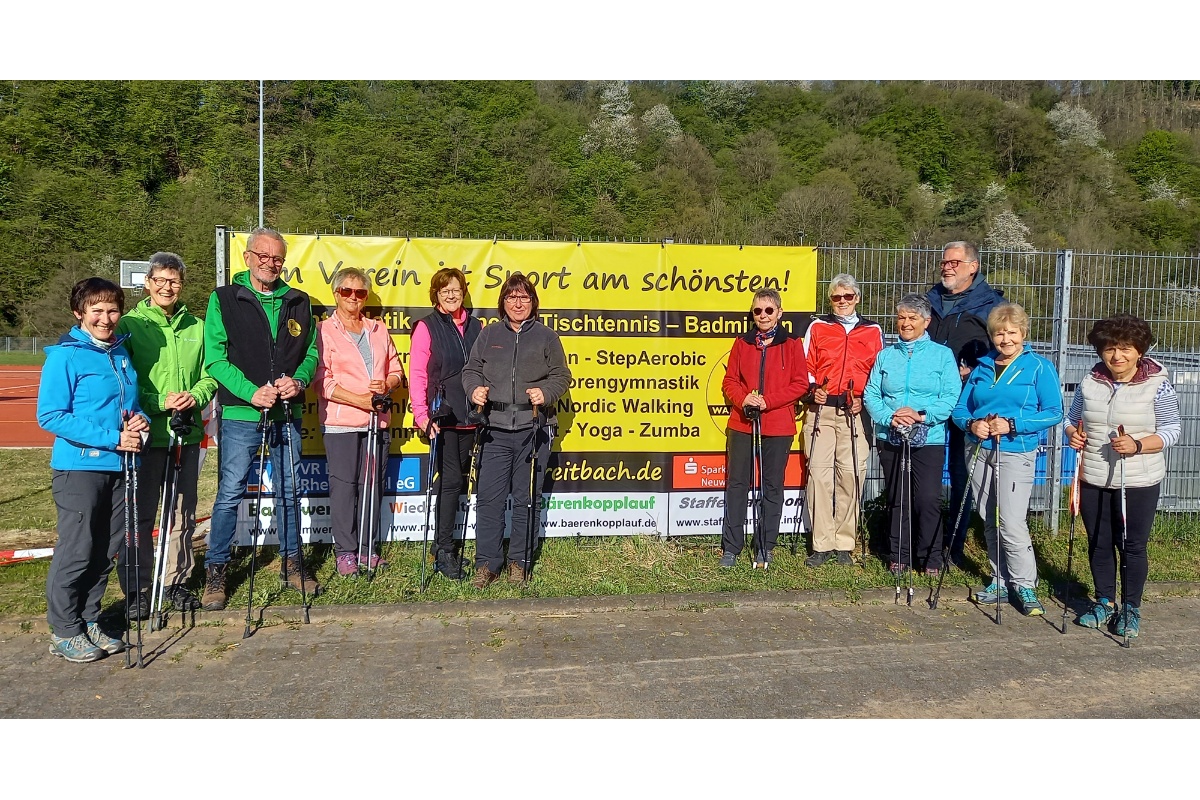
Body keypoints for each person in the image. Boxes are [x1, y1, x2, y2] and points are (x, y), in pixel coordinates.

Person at [202, 228, 321, 611]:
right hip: (241, 413)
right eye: (264, 256)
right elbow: (215, 359)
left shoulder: (299, 301)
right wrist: (251, 391)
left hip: (287, 412)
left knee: (290, 491)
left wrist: (299, 380)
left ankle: (292, 563)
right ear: (249, 257)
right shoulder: (223, 299)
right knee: (230, 494)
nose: (271, 264)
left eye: (278, 258)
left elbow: (312, 353)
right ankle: (216, 570)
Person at [37, 277, 150, 662]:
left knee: (106, 549)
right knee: (78, 549)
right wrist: (111, 437)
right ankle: (64, 630)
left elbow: (129, 405)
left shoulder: (119, 352)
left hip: (120, 466)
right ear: (79, 313)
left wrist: (140, 422)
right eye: (97, 311)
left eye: (113, 310)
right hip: (79, 469)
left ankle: (90, 621)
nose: (106, 318)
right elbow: (51, 415)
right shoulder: (65, 356)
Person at [115, 253, 217, 618]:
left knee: (181, 514)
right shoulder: (129, 324)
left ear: (182, 285)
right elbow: (124, 382)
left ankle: (175, 581)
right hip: (146, 437)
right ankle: (138, 588)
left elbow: (210, 375)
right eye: (159, 280)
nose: (166, 287)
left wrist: (196, 396)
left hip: (186, 436)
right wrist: (160, 401)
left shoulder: (198, 326)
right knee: (139, 516)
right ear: (147, 283)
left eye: (173, 281)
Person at [1066, 314, 1180, 639]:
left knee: (1132, 545)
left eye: (1126, 348)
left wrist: (1138, 444)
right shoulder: (1090, 381)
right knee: (1099, 543)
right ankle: (1104, 601)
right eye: (1110, 349)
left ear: (1139, 351)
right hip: (1094, 475)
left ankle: (1130, 608)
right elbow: (1071, 419)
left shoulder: (1157, 384)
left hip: (1138, 479)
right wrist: (1073, 434)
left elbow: (1172, 430)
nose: (1117, 356)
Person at [951, 303, 1064, 615]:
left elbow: (1054, 412)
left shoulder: (1039, 367)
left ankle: (1025, 584)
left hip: (1016, 450)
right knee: (989, 517)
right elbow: (961, 409)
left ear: (1023, 334)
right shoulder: (982, 367)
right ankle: (999, 579)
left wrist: (1014, 424)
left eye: (1012, 332)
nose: (1006, 339)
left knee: (1011, 521)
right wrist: (972, 424)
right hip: (979, 447)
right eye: (1000, 333)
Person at [462, 273, 571, 588]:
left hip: (532, 429)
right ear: (503, 303)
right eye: (512, 297)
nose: (518, 303)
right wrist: (474, 390)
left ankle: (519, 563)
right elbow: (471, 370)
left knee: (526, 500)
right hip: (494, 429)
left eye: (524, 297)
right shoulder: (489, 334)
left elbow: (562, 376)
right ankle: (487, 564)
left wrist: (546, 393)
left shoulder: (547, 337)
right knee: (489, 500)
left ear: (533, 302)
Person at [314, 268, 405, 577]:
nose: (353, 298)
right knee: (344, 488)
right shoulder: (323, 331)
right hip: (341, 423)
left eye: (360, 292)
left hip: (376, 422)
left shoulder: (378, 329)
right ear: (336, 294)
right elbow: (322, 381)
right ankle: (345, 553)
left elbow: (395, 368)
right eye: (347, 292)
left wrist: (388, 384)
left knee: (372, 486)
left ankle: (368, 549)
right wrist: (359, 400)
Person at [863, 294, 960, 577]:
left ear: (926, 322)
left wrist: (921, 415)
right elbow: (872, 393)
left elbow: (950, 395)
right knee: (897, 496)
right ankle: (899, 556)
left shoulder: (942, 355)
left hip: (927, 438)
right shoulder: (886, 355)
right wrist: (889, 417)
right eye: (901, 317)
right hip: (891, 435)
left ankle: (930, 557)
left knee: (927, 498)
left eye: (912, 318)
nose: (905, 323)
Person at [718, 288, 808, 567]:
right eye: (758, 311)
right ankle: (731, 547)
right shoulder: (742, 343)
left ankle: (765, 546)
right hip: (742, 424)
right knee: (736, 485)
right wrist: (743, 398)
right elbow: (729, 381)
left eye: (769, 310)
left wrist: (767, 401)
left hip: (778, 425)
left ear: (779, 313)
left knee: (772, 487)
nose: (763, 316)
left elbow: (800, 384)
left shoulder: (792, 343)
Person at [927, 241, 1005, 565]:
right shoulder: (929, 300)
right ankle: (924, 542)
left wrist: (975, 369)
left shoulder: (991, 304)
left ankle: (953, 546)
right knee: (926, 469)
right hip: (930, 398)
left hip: (968, 401)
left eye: (955, 262)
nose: (947, 267)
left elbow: (1004, 346)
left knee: (962, 474)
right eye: (945, 262)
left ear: (973, 266)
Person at [800, 274, 884, 566]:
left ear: (857, 298)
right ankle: (821, 543)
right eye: (837, 297)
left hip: (855, 413)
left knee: (851, 475)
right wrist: (813, 391)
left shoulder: (873, 331)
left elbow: (878, 372)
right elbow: (805, 364)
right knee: (819, 476)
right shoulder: (818, 327)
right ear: (830, 300)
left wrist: (866, 397)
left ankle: (844, 543)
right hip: (821, 411)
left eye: (848, 297)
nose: (843, 302)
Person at [409, 267, 483, 580]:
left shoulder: (477, 326)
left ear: (463, 291)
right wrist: (422, 416)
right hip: (443, 416)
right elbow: (418, 373)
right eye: (444, 291)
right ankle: (444, 550)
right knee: (451, 480)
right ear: (436, 295)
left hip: (471, 415)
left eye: (455, 289)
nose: (451, 295)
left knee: (456, 481)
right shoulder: (427, 327)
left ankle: (442, 545)